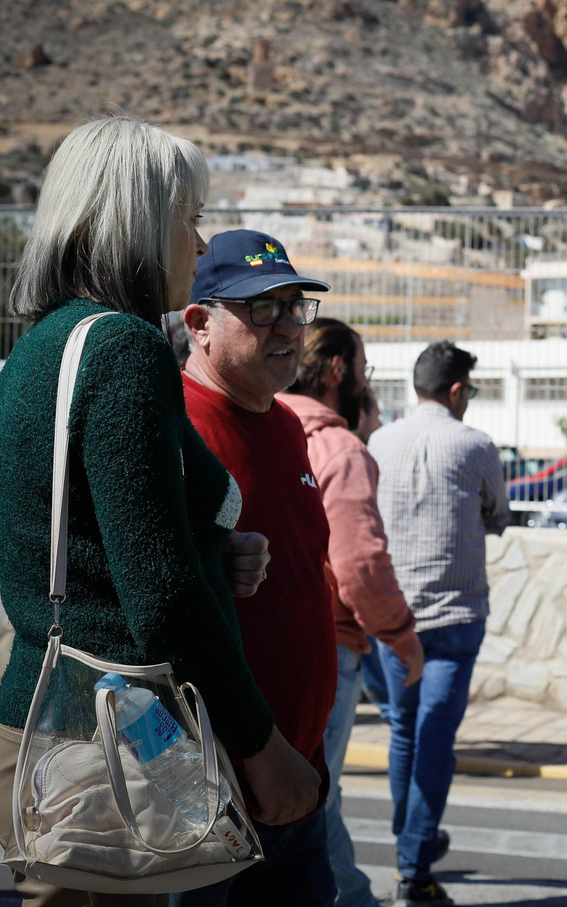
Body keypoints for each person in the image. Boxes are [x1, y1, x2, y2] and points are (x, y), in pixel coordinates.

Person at [0, 117, 320, 907]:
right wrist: (260, 744)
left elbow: (91, 536)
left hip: (52, 727)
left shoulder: (47, 343)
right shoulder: (125, 350)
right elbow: (158, 595)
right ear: (136, 221)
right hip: (100, 746)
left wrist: (214, 551)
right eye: (189, 219)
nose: (199, 246)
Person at [178, 229, 339, 907]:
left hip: (299, 781)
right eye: (261, 308)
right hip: (207, 795)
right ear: (200, 324)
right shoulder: (174, 427)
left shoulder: (285, 424)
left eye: (294, 307)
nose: (287, 328)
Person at [279, 320, 424, 907]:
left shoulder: (265, 424)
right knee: (315, 799)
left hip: (262, 641)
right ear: (339, 369)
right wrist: (401, 638)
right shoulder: (338, 448)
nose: (366, 380)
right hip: (327, 647)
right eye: (362, 365)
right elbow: (361, 563)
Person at [368, 341, 510, 907]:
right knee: (434, 741)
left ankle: (414, 839)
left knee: (406, 733)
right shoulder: (475, 445)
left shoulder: (379, 441)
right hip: (454, 617)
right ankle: (414, 868)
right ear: (456, 391)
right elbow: (498, 516)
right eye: (470, 390)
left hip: (394, 617)